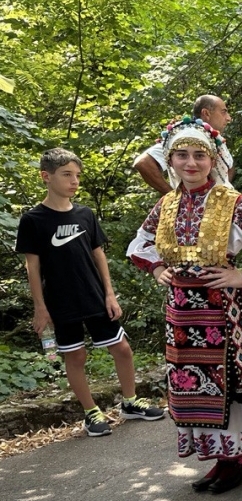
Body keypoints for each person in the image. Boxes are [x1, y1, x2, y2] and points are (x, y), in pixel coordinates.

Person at [127, 117, 242, 493]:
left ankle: (238, 460)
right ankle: (221, 460)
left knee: (228, 383)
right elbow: (140, 243)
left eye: (199, 155)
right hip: (182, 312)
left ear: (213, 159)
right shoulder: (167, 204)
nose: (191, 163)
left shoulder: (231, 201)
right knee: (196, 387)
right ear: (170, 160)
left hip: (223, 310)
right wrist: (157, 268)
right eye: (182, 155)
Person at [16, 148, 164, 437]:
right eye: (67, 175)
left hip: (94, 295)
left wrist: (110, 293)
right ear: (46, 177)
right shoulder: (33, 220)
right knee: (77, 357)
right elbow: (31, 268)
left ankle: (131, 402)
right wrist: (40, 307)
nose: (74, 181)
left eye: (77, 175)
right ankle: (90, 412)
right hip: (61, 302)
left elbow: (99, 256)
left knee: (122, 349)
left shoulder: (85, 214)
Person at [134, 95, 234, 194]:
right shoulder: (183, 137)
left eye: (199, 155)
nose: (228, 118)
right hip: (193, 207)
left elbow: (229, 167)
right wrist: (173, 197)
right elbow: (143, 163)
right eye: (223, 112)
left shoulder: (215, 138)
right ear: (206, 113)